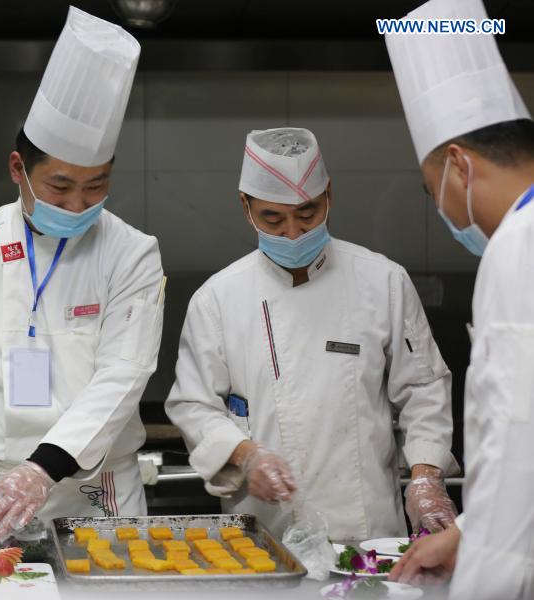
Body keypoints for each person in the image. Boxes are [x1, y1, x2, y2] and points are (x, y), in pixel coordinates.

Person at [0, 6, 164, 541]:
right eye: (59, 187)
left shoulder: (132, 252)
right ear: (18, 170)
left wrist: (42, 469)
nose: (78, 204)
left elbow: (123, 374)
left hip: (100, 490)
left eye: (96, 186)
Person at [165, 126, 459, 540]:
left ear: (329, 196)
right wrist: (246, 456)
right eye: (273, 218)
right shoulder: (217, 298)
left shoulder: (383, 281)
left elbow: (424, 390)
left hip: (368, 531)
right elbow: (194, 405)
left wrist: (427, 476)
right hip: (264, 534)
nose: (293, 233)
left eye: (308, 213)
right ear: (245, 206)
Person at [385, 0, 534, 597]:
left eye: (431, 192)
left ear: (459, 167)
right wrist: (468, 532)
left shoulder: (518, 248)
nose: (443, 209)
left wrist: (480, 577)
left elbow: (517, 441)